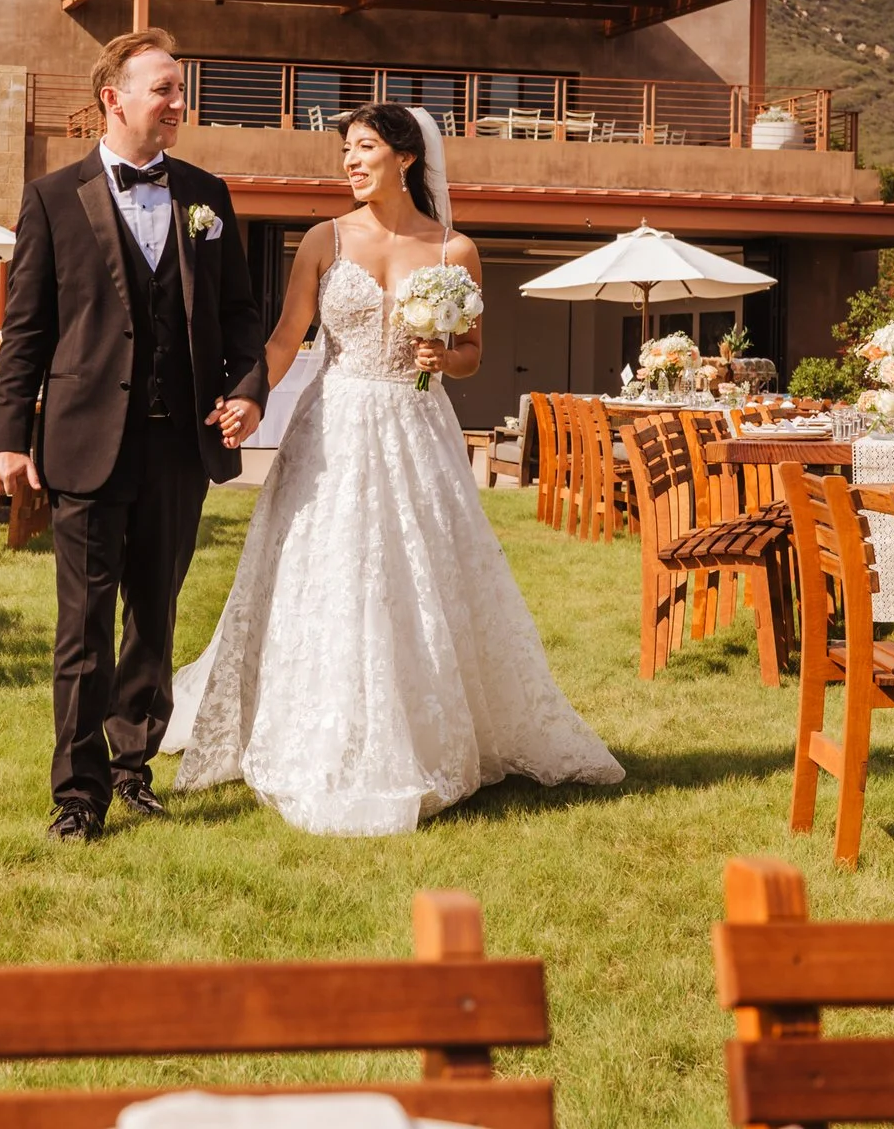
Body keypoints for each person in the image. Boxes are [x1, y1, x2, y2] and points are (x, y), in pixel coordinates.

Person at [162, 103, 623, 836]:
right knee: (334, 571)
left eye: (365, 147)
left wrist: (449, 358)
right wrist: (252, 398)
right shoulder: (323, 238)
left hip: (415, 428)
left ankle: (424, 727)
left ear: (406, 157)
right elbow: (287, 338)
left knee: (416, 572)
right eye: (346, 149)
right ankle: (320, 720)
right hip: (335, 424)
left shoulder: (455, 251)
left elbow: (471, 350)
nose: (350, 161)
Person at [0, 29, 268, 844]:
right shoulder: (51, 198)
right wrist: (8, 438)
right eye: (165, 89)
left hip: (181, 443)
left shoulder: (207, 195)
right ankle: (76, 795)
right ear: (115, 98)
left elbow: (243, 314)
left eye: (181, 90)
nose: (179, 104)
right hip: (84, 443)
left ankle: (131, 768)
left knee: (155, 614)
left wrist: (247, 392)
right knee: (84, 624)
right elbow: (26, 330)